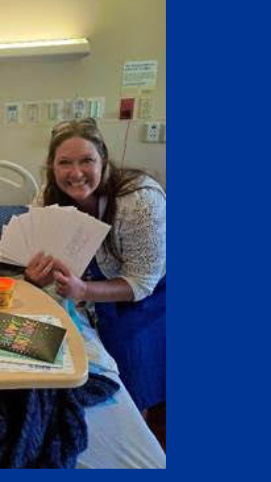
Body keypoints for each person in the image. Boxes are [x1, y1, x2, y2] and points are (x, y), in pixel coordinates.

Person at [24, 118, 166, 414]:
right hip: (96, 279)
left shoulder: (139, 201)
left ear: (104, 161)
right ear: (52, 167)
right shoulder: (45, 201)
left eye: (87, 160)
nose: (76, 173)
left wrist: (84, 289)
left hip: (153, 287)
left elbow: (141, 281)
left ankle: (137, 415)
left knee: (131, 351)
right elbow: (44, 262)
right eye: (64, 162)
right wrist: (36, 278)